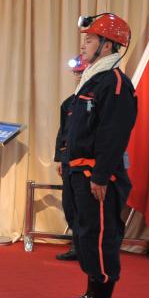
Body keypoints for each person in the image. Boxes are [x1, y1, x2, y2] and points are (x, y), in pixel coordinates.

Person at [62, 13, 137, 298]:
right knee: (84, 232)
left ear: (107, 46)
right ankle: (91, 292)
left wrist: (101, 176)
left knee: (100, 234)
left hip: (98, 175)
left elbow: (113, 134)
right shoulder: (91, 79)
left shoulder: (115, 83)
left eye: (90, 40)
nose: (84, 45)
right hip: (80, 172)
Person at [53, 53, 88, 260]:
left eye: (81, 71)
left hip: (87, 163)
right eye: (76, 72)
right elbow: (63, 131)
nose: (78, 76)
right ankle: (77, 246)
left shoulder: (97, 99)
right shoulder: (69, 103)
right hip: (69, 161)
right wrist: (59, 157)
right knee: (70, 205)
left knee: (86, 206)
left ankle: (88, 249)